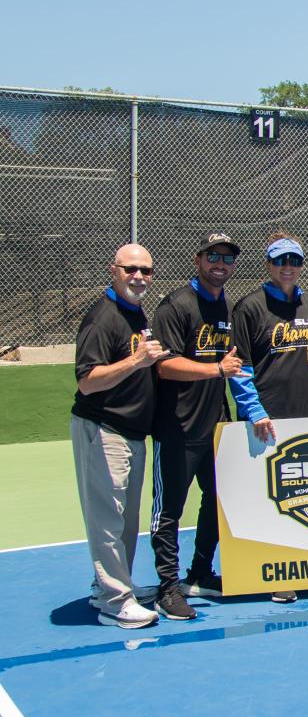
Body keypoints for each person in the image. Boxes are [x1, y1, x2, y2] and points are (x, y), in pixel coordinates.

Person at [149, 231, 244, 620]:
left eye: (226, 258)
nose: (219, 264)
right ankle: (167, 588)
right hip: (177, 428)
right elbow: (164, 365)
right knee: (169, 509)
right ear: (198, 259)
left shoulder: (226, 307)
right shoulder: (176, 306)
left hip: (215, 426)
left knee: (219, 500)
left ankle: (200, 572)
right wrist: (215, 369)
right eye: (212, 257)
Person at [72, 244, 165, 629]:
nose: (139, 276)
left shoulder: (134, 312)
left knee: (126, 519)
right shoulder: (102, 317)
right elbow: (87, 381)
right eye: (131, 269)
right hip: (102, 428)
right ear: (114, 270)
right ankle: (114, 600)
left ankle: (115, 585)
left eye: (146, 270)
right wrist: (137, 361)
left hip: (131, 432)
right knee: (107, 519)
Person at [230, 233, 308, 604]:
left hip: (307, 414)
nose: (288, 267)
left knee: (303, 494)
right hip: (266, 419)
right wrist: (254, 411)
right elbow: (240, 366)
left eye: (295, 261)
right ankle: (273, 572)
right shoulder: (250, 307)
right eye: (281, 260)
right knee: (268, 498)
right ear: (268, 264)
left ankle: (303, 565)